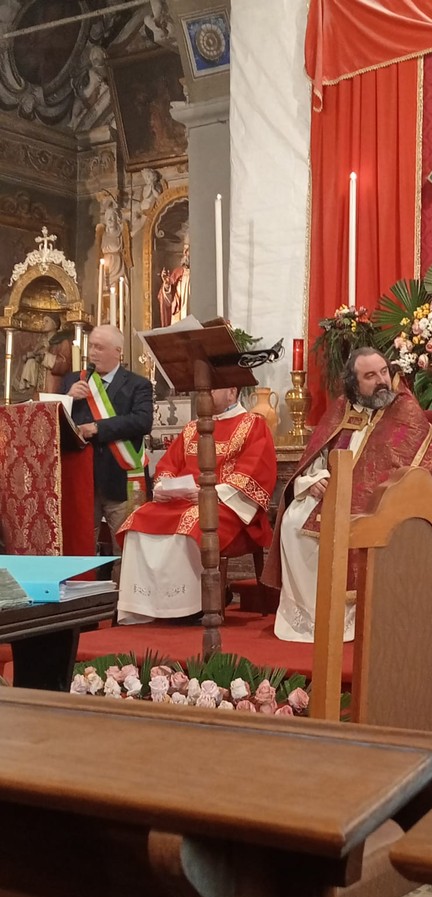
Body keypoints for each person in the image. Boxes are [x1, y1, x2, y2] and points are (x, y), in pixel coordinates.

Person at [263, 347, 432, 642]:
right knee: (294, 522)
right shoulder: (343, 409)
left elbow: (418, 464)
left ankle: (352, 620)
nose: (381, 380)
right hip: (331, 494)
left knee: (341, 529)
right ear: (354, 383)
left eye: (384, 371)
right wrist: (314, 480)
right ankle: (313, 618)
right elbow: (316, 459)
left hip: (382, 504)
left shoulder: (406, 411)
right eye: (370, 376)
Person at [116, 385, 277, 624]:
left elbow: (256, 470)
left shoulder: (253, 424)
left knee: (195, 523)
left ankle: (192, 607)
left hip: (225, 506)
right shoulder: (193, 428)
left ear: (232, 392)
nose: (205, 394)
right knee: (138, 519)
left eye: (213, 389)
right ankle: (145, 605)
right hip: (182, 500)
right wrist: (164, 488)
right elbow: (169, 464)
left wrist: (210, 494)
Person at [61, 324, 153, 553]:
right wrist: (67, 398)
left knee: (128, 549)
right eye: (91, 346)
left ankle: (124, 589)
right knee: (81, 548)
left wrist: (97, 428)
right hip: (82, 478)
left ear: (117, 352)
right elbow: (55, 422)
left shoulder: (137, 384)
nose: (92, 352)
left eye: (99, 348)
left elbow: (142, 421)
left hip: (120, 479)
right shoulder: (73, 381)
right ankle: (85, 588)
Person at [158, 237, 190, 326]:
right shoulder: (177, 273)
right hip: (179, 322)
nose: (185, 253)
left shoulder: (202, 274)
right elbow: (167, 302)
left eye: (188, 250)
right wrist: (167, 285)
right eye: (184, 249)